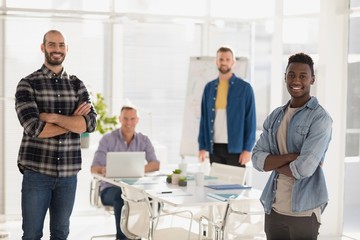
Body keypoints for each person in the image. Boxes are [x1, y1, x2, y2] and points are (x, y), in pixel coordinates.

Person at [15, 29, 97, 240]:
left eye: (61, 45)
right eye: (52, 44)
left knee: (61, 233)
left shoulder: (77, 85)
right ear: (43, 48)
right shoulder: (28, 84)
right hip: (37, 174)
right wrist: (73, 122)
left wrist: (53, 117)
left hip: (68, 175)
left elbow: (90, 124)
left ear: (66, 49)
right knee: (32, 234)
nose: (57, 49)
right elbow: (34, 128)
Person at [251, 53, 333, 239]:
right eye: (291, 75)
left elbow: (303, 169)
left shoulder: (320, 118)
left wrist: (271, 162)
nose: (296, 80)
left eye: (303, 76)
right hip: (273, 207)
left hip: (304, 211)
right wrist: (290, 157)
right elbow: (256, 159)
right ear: (285, 77)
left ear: (312, 79)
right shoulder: (275, 116)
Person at [91, 105, 160, 240]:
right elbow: (94, 168)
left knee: (154, 199)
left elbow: (155, 164)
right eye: (125, 119)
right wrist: (104, 169)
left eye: (132, 119)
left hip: (137, 189)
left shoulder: (144, 140)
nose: (129, 123)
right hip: (110, 190)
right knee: (122, 196)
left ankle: (141, 234)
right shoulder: (108, 139)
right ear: (120, 119)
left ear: (137, 120)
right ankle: (122, 238)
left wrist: (138, 169)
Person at [198, 45, 256, 167]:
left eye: (227, 59)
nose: (224, 62)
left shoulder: (245, 88)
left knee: (236, 185)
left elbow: (250, 121)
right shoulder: (209, 88)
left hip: (236, 148)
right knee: (215, 184)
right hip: (214, 147)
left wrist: (247, 149)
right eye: (221, 59)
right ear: (216, 61)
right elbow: (204, 120)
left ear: (233, 62)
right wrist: (202, 146)